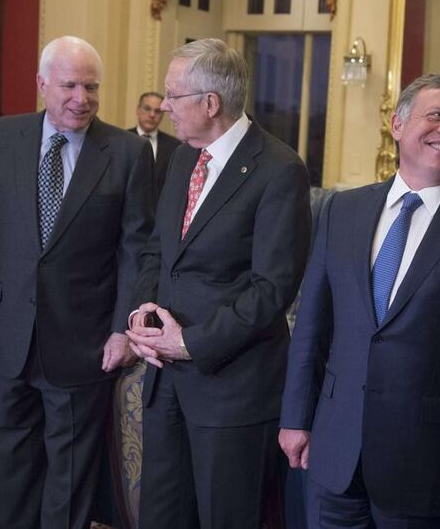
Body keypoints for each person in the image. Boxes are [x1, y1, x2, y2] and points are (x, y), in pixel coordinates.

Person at [279, 73, 440, 528]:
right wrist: (296, 418)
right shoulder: (343, 210)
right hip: (334, 454)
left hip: (431, 468)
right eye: (436, 115)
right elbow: (311, 328)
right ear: (397, 125)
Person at [0, 36, 155, 528]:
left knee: (68, 480)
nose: (83, 98)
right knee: (12, 468)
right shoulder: (1, 136)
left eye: (92, 87)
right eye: (71, 85)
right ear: (41, 85)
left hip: (82, 345)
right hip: (9, 340)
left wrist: (123, 328)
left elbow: (136, 250)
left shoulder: (128, 153)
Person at [125, 38, 311, 528]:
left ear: (210, 103)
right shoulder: (182, 157)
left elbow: (272, 288)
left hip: (232, 390)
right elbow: (157, 250)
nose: (163, 107)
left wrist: (190, 341)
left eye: (172, 95)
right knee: (162, 518)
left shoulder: (280, 170)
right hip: (165, 383)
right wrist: (142, 316)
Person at [129, 91, 181, 196]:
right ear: (138, 110)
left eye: (158, 111)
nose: (152, 115)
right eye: (147, 109)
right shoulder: (123, 140)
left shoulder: (175, 146)